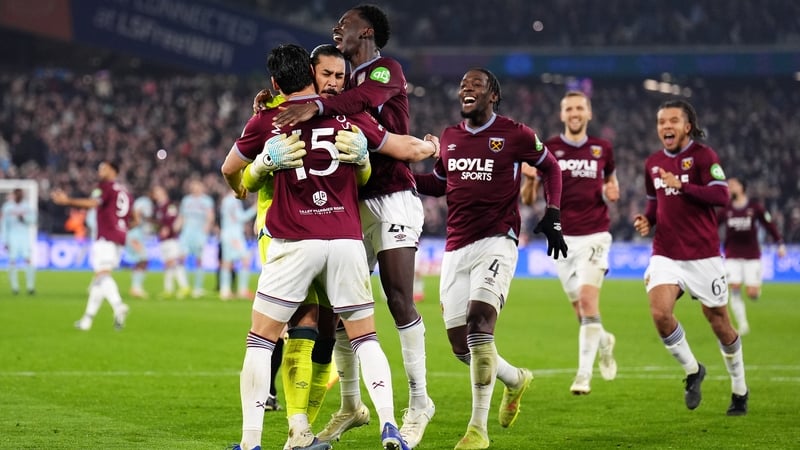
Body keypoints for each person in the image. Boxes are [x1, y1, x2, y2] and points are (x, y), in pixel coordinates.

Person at [222, 43, 435, 450]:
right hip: (344, 238)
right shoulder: (350, 117)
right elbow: (364, 174)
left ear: (274, 82)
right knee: (364, 338)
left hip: (291, 238)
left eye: (341, 76)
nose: (335, 82)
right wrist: (377, 158)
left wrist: (261, 166)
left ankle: (253, 443)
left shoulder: (269, 120)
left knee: (262, 339)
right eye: (329, 75)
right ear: (312, 72)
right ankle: (389, 426)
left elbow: (233, 174)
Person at [414, 67, 567, 449]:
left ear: (492, 96)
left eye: (476, 85)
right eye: (463, 84)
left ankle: (477, 431)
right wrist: (401, 174)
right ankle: (515, 379)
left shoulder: (515, 134)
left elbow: (551, 167)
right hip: (455, 247)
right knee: (459, 345)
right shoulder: (449, 137)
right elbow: (439, 183)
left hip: (498, 240)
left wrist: (554, 214)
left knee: (480, 322)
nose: (467, 89)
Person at [633, 99, 748, 416]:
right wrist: (648, 220)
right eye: (661, 122)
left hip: (702, 256)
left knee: (720, 324)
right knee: (660, 314)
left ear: (687, 126)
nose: (666, 127)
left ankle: (739, 389)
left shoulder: (703, 156)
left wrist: (682, 185)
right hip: (666, 253)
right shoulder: (653, 163)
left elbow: (721, 195)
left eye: (673, 121)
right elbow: (654, 203)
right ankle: (693, 369)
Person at [520, 91, 618, 395]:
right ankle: (604, 341)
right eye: (569, 108)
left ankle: (583, 376)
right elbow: (527, 199)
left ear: (588, 113)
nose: (575, 113)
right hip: (560, 238)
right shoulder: (548, 148)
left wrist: (612, 190)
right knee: (580, 311)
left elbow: (611, 181)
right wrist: (533, 180)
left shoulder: (603, 149)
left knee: (589, 303)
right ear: (562, 115)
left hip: (595, 234)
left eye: (580, 107)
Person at [51, 161, 132, 331]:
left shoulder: (105, 186)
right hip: (120, 236)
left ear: (112, 170)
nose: (99, 171)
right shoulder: (125, 191)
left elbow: (94, 203)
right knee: (98, 280)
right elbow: (132, 217)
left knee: (102, 274)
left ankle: (118, 306)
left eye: (103, 168)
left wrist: (67, 201)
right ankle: (87, 320)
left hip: (106, 235)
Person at [718, 177, 786, 335]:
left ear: (742, 187)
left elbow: (769, 226)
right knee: (734, 286)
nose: (729, 188)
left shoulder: (755, 208)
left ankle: (756, 290)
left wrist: (780, 244)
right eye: (728, 186)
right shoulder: (726, 209)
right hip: (732, 254)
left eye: (733, 185)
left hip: (752, 255)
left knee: (752, 294)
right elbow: (712, 225)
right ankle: (743, 325)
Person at [177, 180, 215, 298]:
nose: (196, 189)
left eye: (198, 186)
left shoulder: (207, 201)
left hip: (199, 233)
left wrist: (206, 229)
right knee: (182, 258)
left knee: (199, 260)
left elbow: (210, 216)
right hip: (187, 233)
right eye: (193, 187)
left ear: (202, 188)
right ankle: (184, 286)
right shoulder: (186, 200)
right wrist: (176, 226)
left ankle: (197, 288)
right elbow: (182, 216)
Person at [151, 185, 191, 298]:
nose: (156, 195)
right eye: (155, 193)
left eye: (158, 192)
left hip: (172, 239)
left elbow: (174, 220)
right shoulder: (157, 208)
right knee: (168, 264)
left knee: (173, 262)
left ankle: (184, 287)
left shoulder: (170, 205)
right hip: (163, 240)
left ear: (163, 192)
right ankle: (169, 289)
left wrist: (169, 229)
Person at [218, 191, 256, 300]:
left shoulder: (226, 200)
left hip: (226, 233)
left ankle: (225, 290)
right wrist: (254, 208)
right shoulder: (233, 201)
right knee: (245, 259)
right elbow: (241, 217)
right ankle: (242, 290)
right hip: (234, 235)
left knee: (227, 262)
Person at [2, 188, 37, 295]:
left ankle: (30, 287)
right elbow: (4, 225)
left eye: (20, 194)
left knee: (28, 260)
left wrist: (24, 218)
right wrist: (5, 240)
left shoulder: (27, 207)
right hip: (12, 236)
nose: (18, 196)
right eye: (16, 194)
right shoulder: (7, 207)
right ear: (14, 195)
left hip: (24, 237)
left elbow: (33, 220)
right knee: (12, 261)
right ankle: (15, 287)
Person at [127, 194, 155, 298]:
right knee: (143, 260)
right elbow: (138, 213)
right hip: (134, 237)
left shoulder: (142, 203)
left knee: (140, 261)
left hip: (136, 236)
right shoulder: (144, 202)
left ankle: (135, 287)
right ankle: (136, 287)